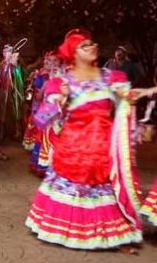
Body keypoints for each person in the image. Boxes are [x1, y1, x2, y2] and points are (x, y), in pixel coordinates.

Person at [26, 29, 157, 251]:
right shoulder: (62, 82)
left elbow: (128, 102)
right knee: (76, 190)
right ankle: (71, 232)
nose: (93, 47)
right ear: (73, 53)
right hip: (73, 150)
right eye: (85, 45)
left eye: (93, 43)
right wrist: (62, 100)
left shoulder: (110, 78)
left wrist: (148, 93)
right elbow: (41, 119)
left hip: (103, 148)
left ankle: (113, 236)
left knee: (105, 191)